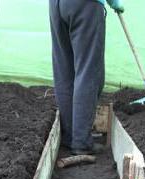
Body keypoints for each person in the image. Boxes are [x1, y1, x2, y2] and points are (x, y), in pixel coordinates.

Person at [49, 0, 124, 155]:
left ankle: (69, 138)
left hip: (56, 6)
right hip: (85, 5)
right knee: (88, 72)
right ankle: (81, 143)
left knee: (64, 71)